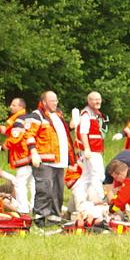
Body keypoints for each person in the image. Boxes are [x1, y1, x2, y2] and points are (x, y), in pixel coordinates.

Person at [25, 91, 77, 226]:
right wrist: (33, 152)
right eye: (52, 100)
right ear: (43, 102)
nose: (56, 103)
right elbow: (29, 134)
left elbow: (61, 134)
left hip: (59, 161)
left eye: (56, 100)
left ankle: (54, 218)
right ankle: (39, 218)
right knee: (45, 190)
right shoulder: (37, 115)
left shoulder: (57, 115)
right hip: (44, 160)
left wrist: (71, 125)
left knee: (57, 192)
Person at [0, 97, 34, 215]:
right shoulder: (28, 119)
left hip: (22, 155)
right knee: (32, 183)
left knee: (20, 184)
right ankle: (34, 207)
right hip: (30, 155)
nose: (11, 107)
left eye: (14, 105)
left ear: (21, 107)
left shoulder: (19, 120)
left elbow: (15, 137)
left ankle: (23, 209)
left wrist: (3, 146)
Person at [74, 91, 108, 204]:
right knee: (98, 174)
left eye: (99, 99)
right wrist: (87, 148)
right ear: (89, 101)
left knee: (87, 176)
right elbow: (83, 132)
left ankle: (81, 199)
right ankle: (98, 198)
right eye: (94, 99)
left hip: (94, 149)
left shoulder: (95, 113)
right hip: (91, 150)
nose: (98, 101)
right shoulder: (87, 114)